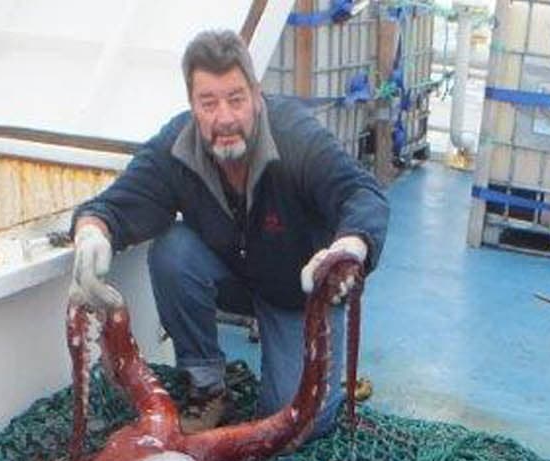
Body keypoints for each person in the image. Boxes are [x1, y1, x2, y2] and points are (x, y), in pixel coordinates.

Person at [69, 29, 390, 436]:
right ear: (192, 106)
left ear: (256, 95)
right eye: (209, 103)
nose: (224, 118)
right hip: (236, 276)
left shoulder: (296, 137)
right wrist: (92, 231)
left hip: (301, 295)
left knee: (300, 424)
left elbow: (361, 194)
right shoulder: (176, 147)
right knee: (173, 250)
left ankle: (322, 380)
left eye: (236, 99)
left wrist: (348, 249)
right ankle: (206, 386)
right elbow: (118, 203)